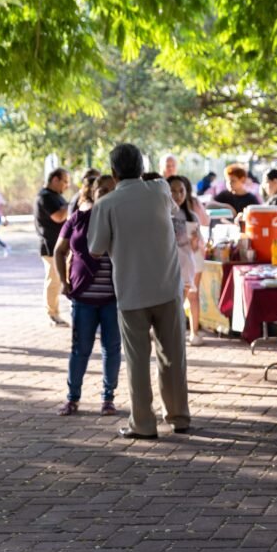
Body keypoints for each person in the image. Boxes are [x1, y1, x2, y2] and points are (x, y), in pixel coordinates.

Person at [88, 143, 190, 440]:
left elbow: (95, 249)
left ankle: (143, 424)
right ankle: (179, 416)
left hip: (131, 290)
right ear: (142, 168)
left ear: (113, 173)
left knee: (137, 361)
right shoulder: (159, 190)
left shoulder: (106, 204)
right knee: (173, 356)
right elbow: (172, 209)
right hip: (167, 286)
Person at [54, 174, 121, 417]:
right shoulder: (77, 219)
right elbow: (59, 251)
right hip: (83, 297)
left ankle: (108, 398)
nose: (106, 194)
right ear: (93, 192)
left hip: (113, 298)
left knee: (111, 349)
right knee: (80, 349)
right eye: (102, 190)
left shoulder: (122, 221)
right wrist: (63, 281)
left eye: (112, 190)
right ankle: (72, 398)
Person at [168, 175, 205, 347]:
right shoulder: (162, 214)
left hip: (186, 266)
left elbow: (195, 247)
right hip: (167, 267)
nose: (178, 195)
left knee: (184, 301)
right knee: (171, 304)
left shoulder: (191, 216)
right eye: (173, 191)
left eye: (181, 191)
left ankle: (189, 334)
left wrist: (195, 241)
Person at [36, 168, 71, 327]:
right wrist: (71, 206)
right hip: (50, 246)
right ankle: (52, 314)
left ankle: (56, 312)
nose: (67, 186)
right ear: (55, 180)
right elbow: (58, 217)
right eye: (65, 181)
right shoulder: (45, 197)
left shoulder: (56, 196)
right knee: (54, 281)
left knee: (59, 280)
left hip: (59, 246)